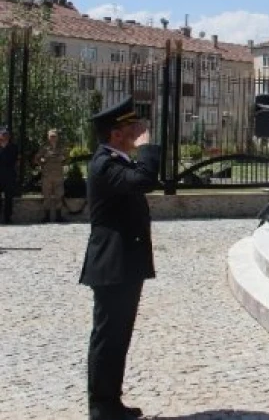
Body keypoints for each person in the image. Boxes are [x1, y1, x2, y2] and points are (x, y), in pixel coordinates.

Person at [79, 97, 161, 420]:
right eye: (130, 127)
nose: (136, 130)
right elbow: (144, 181)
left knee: (118, 337)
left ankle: (111, 402)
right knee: (107, 336)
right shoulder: (104, 164)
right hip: (112, 265)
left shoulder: (115, 159)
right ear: (116, 134)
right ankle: (100, 406)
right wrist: (147, 147)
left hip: (123, 263)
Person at [34, 129, 69, 223]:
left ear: (57, 137)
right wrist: (42, 164)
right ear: (48, 137)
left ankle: (59, 216)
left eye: (54, 136)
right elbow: (36, 158)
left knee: (59, 195)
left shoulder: (61, 148)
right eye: (51, 136)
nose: (53, 138)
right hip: (47, 176)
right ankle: (46, 217)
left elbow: (67, 158)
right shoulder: (44, 148)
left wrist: (63, 162)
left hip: (58, 175)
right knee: (46, 196)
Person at [0, 126, 18, 224]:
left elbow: (13, 160)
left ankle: (8, 218)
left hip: (9, 175)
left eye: (6, 134)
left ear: (9, 136)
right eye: (2, 134)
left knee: (9, 198)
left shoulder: (13, 147)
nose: (4, 136)